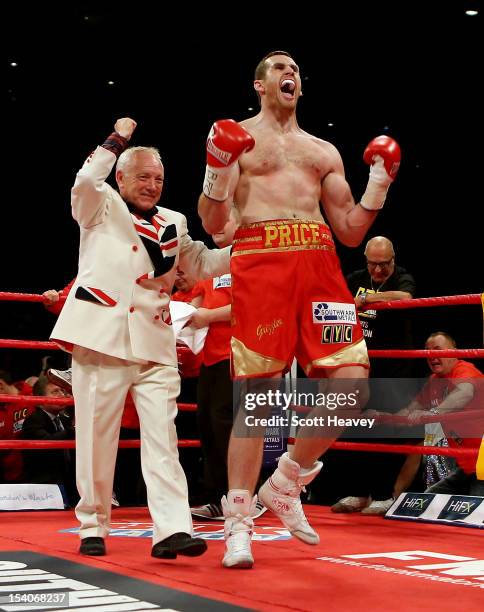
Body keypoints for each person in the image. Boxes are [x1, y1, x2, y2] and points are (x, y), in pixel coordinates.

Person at [197, 50, 401, 568]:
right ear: (259, 84)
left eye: (295, 71)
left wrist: (379, 181)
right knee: (258, 403)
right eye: (279, 68)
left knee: (351, 384)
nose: (290, 74)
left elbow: (352, 230)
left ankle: (286, 481)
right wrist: (218, 166)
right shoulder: (239, 137)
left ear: (300, 88)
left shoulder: (322, 151)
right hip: (262, 263)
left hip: (320, 267)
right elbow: (212, 221)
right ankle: (238, 522)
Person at [50, 118, 230, 558]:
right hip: (101, 336)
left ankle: (171, 529)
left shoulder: (175, 220)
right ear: (122, 176)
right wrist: (117, 137)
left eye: (159, 179)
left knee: (163, 439)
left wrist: (256, 246)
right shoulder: (100, 204)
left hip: (154, 340)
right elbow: (85, 177)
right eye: (144, 176)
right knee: (96, 435)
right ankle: (93, 524)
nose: (152, 185)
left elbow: (202, 264)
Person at [329, 236, 416, 514]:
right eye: (373, 264)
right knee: (352, 429)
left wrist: (367, 299)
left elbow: (406, 298)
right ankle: (358, 493)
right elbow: (334, 296)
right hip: (360, 365)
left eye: (384, 264)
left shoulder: (402, 278)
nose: (378, 270)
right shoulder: (355, 276)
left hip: (393, 371)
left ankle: (383, 494)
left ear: (393, 260)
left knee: (383, 430)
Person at [391, 332, 484, 496]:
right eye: (427, 351)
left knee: (476, 514)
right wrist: (383, 418)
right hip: (466, 467)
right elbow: (411, 409)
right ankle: (391, 499)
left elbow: (464, 393)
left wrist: (433, 414)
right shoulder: (434, 380)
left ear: (454, 351)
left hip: (482, 465)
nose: (432, 355)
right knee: (428, 503)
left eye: (437, 350)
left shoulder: (464, 370)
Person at [21, 374, 77, 507]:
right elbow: (48, 443)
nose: (61, 395)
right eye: (55, 392)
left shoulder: (64, 419)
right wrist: (73, 429)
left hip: (68, 483)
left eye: (62, 391)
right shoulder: (33, 420)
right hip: (45, 487)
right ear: (40, 399)